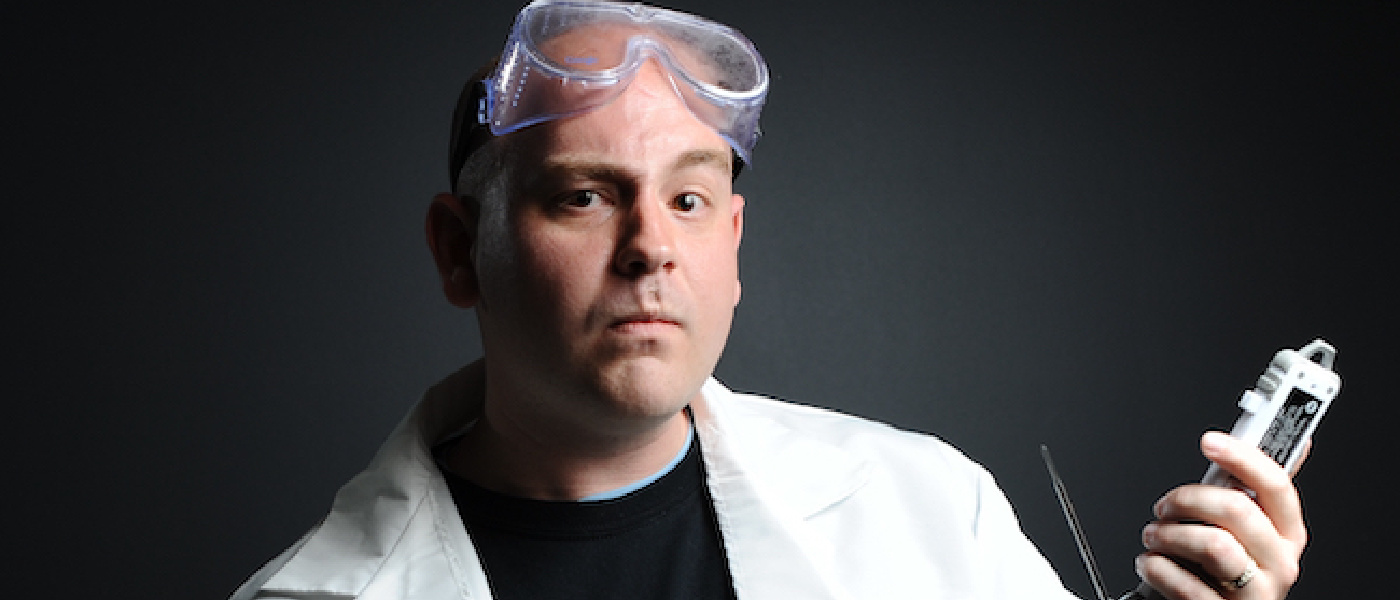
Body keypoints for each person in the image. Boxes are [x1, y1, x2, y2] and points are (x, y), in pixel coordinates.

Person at [228, 2, 1309, 599]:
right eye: (583, 196)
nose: (650, 246)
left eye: (691, 198)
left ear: (731, 248)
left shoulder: (929, 512)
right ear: (460, 251)